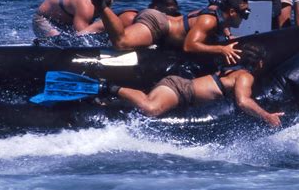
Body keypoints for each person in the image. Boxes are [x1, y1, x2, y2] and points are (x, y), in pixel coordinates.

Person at [102, 44, 284, 128]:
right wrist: (267, 116)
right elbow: (243, 101)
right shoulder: (245, 76)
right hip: (180, 89)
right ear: (259, 63)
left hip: (181, 92)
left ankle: (113, 98)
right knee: (151, 108)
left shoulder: (234, 70)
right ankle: (109, 87)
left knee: (147, 106)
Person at [98, 0, 251, 65]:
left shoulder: (219, 14)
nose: (245, 18)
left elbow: (221, 22)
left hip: (162, 27)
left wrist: (229, 37)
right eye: (244, 14)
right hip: (158, 25)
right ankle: (100, 4)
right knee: (121, 43)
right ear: (231, 12)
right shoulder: (208, 21)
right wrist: (221, 49)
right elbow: (189, 46)